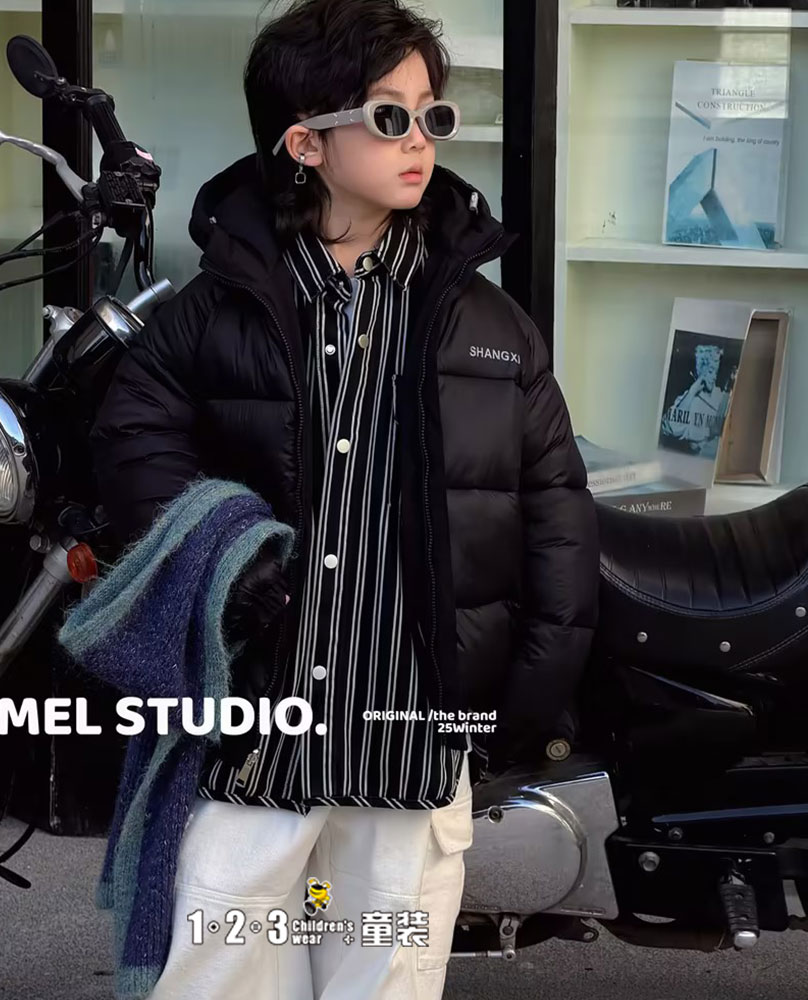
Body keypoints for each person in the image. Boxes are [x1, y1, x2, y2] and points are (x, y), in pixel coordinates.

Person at [88, 1, 599, 996]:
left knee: (386, 973)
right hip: (255, 737)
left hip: (410, 744)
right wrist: (225, 568)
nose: (421, 140)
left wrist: (530, 688)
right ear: (305, 143)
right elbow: (134, 438)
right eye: (389, 116)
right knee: (218, 970)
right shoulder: (219, 310)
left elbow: (555, 508)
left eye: (431, 114)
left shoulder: (489, 326)